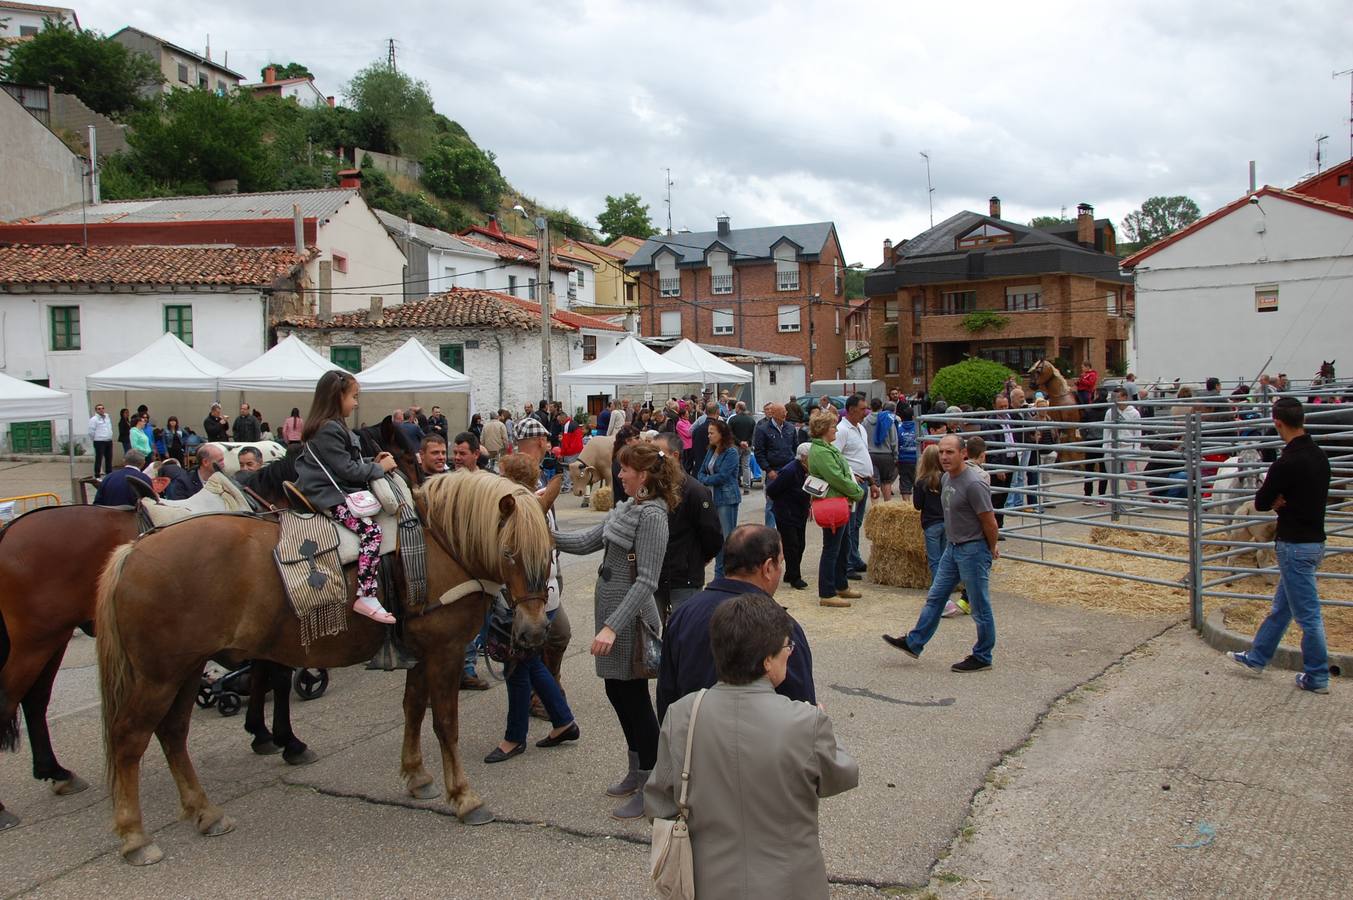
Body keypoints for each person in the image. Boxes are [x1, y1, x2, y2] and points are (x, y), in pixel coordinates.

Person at [645, 592, 858, 900]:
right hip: (792, 884)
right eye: (787, 646)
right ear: (767, 660)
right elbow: (842, 776)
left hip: (706, 881)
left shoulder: (683, 715)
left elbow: (658, 804)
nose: (790, 652)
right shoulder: (806, 722)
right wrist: (824, 727)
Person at [551, 441, 680, 819]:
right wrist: (545, 535)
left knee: (635, 700)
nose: (618, 475)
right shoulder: (629, 508)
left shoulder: (653, 516)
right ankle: (636, 771)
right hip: (613, 615)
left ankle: (654, 786)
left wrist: (611, 627)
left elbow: (646, 582)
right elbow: (587, 541)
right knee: (618, 693)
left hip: (629, 620)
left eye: (625, 469)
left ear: (644, 476)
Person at [656, 525, 816, 722]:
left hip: (694, 739)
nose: (780, 571)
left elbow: (667, 696)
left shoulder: (683, 615)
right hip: (758, 746)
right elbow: (800, 707)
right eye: (780, 563)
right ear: (767, 568)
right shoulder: (781, 627)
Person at [1226, 397, 1332, 694]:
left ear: (1277, 423)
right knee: (1282, 607)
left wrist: (1277, 500)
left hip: (1293, 544)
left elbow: (1260, 501)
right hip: (1315, 541)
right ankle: (1258, 657)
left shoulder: (1285, 463)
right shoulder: (1319, 457)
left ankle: (1317, 675)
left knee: (1308, 615)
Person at [483, 454, 580, 764]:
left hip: (529, 600)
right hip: (542, 597)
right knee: (529, 664)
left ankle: (514, 737)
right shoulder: (537, 503)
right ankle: (563, 721)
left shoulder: (523, 510)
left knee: (517, 667)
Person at [884, 433, 999, 672]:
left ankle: (983, 655)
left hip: (972, 549)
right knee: (936, 597)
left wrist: (990, 548)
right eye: (942, 452)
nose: (944, 457)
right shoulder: (947, 478)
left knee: (979, 605)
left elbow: (990, 521)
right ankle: (914, 642)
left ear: (963, 454)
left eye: (950, 452)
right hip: (953, 548)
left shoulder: (974, 483)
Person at [293, 370, 399, 624]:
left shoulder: (331, 425)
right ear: (337, 396)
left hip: (331, 491)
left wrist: (371, 462)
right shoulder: (329, 428)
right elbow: (347, 470)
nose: (356, 402)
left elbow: (345, 461)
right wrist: (379, 469)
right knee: (372, 532)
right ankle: (366, 594)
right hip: (329, 497)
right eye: (354, 396)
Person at [511, 418, 570, 704]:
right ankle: (544, 695)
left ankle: (546, 691)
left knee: (554, 636)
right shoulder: (517, 480)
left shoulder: (539, 476)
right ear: (538, 442)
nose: (548, 444)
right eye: (545, 440)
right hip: (530, 578)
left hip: (549, 569)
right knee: (554, 634)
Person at [653, 432, 723, 619]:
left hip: (685, 577)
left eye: (658, 454)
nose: (653, 460)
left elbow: (712, 534)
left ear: (674, 456)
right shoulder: (653, 489)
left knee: (684, 632)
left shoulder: (695, 491)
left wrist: (700, 558)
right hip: (655, 576)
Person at [808, 411, 865, 607]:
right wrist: (857, 492)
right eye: (833, 426)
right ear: (823, 429)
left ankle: (841, 585)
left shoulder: (827, 448)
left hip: (840, 503)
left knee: (843, 546)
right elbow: (836, 478)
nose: (835, 430)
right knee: (832, 548)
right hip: (833, 504)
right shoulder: (822, 452)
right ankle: (827, 592)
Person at [834, 395, 878, 580]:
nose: (865, 412)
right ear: (851, 410)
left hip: (863, 482)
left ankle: (854, 557)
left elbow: (861, 453)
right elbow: (836, 457)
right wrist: (852, 475)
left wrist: (871, 480)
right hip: (852, 483)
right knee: (850, 525)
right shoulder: (841, 430)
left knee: (856, 524)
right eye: (862, 409)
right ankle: (848, 563)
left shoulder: (860, 428)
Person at [698, 418, 742, 579]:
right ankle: (719, 575)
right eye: (708, 433)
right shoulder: (711, 450)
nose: (708, 436)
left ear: (721, 434)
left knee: (727, 539)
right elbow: (701, 471)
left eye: (711, 433)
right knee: (716, 537)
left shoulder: (731, 452)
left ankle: (725, 575)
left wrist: (705, 480)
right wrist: (705, 478)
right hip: (712, 498)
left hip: (726, 498)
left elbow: (722, 476)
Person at [764, 442, 811, 590]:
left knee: (800, 544)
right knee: (792, 545)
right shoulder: (790, 470)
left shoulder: (806, 469)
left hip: (799, 512)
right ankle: (795, 577)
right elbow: (772, 489)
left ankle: (791, 573)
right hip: (786, 513)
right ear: (803, 457)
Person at [753, 403, 798, 527]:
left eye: (785, 412)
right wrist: (768, 470)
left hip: (789, 470)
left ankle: (787, 528)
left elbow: (795, 448)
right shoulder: (763, 429)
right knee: (771, 503)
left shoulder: (790, 428)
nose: (785, 414)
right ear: (773, 413)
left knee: (790, 501)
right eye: (781, 412)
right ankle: (770, 532)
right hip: (773, 472)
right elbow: (759, 452)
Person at [865, 399, 899, 502]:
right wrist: (895, 454)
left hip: (870, 454)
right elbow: (894, 439)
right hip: (886, 454)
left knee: (874, 483)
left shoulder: (865, 421)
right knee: (886, 481)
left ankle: (875, 508)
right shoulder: (888, 420)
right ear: (881, 407)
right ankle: (887, 506)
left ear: (870, 407)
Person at [727, 401, 756, 494]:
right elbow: (753, 434)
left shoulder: (733, 419)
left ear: (738, 408)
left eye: (736, 407)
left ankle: (734, 486)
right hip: (747, 446)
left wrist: (739, 442)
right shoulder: (751, 420)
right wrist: (747, 442)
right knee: (746, 467)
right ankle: (746, 487)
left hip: (736, 445)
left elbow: (730, 433)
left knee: (734, 466)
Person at [557, 410, 584, 492]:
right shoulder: (574, 423)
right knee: (577, 467)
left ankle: (566, 486)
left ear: (563, 419)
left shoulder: (567, 426)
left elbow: (565, 441)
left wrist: (562, 453)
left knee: (567, 468)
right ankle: (575, 484)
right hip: (578, 448)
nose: (559, 423)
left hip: (570, 450)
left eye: (559, 420)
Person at [896, 403, 918, 493]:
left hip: (903, 459)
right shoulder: (919, 428)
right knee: (917, 482)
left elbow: (896, 442)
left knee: (905, 483)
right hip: (916, 458)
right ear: (913, 417)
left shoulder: (898, 428)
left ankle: (906, 504)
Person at [88, 403, 114, 477]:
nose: (101, 410)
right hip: (99, 441)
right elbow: (91, 431)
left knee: (109, 457)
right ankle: (97, 473)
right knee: (99, 458)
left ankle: (109, 473)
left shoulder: (107, 417)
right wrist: (95, 438)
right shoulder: (94, 419)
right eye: (99, 409)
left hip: (108, 440)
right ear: (96, 410)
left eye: (102, 408)